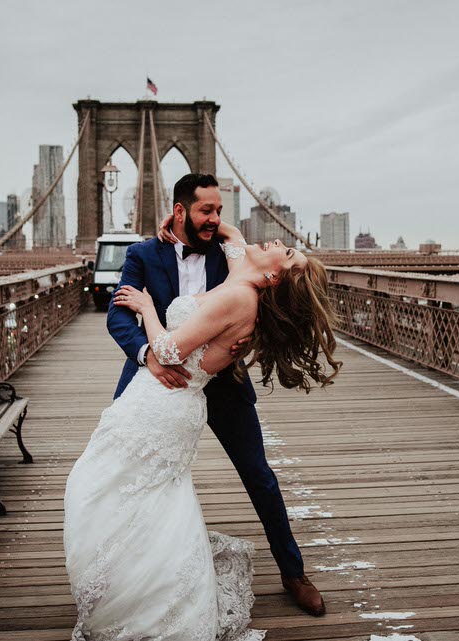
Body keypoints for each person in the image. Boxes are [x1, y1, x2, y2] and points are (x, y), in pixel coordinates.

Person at [63, 173, 342, 640]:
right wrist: (146, 356)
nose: (216, 219)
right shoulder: (142, 254)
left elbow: (247, 269)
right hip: (159, 378)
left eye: (219, 211)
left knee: (259, 475)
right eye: (205, 211)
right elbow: (117, 312)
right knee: (124, 477)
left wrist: (226, 332)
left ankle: (293, 572)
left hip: (220, 381)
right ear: (179, 212)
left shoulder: (234, 258)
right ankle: (130, 580)